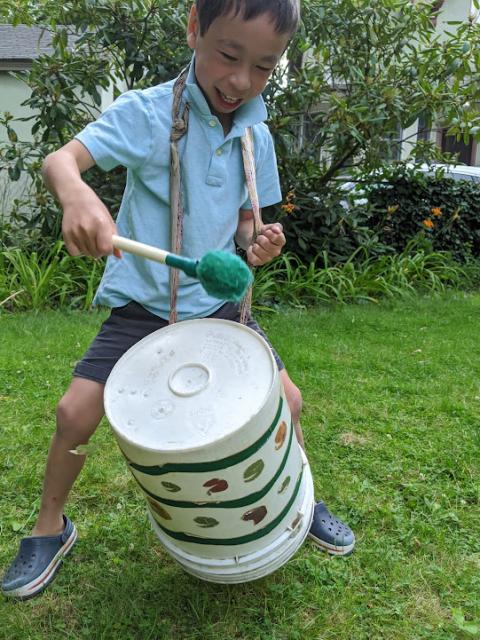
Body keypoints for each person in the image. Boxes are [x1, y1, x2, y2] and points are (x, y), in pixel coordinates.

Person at [2, 0, 355, 601]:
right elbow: (60, 161)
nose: (242, 80)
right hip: (143, 306)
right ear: (195, 28)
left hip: (217, 305)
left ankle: (301, 496)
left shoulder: (256, 135)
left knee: (287, 401)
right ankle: (49, 529)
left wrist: (257, 243)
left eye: (265, 67)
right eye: (228, 55)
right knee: (75, 415)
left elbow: (247, 225)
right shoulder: (146, 113)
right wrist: (78, 198)